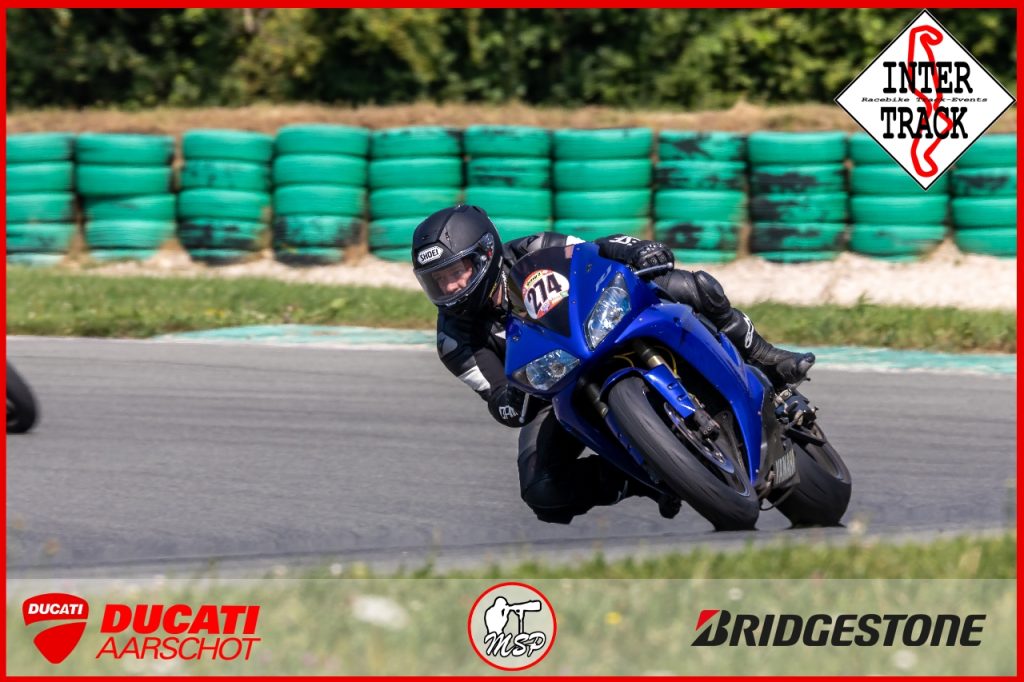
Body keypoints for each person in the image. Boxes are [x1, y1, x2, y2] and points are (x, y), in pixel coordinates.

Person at [412, 204, 813, 525]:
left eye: (456, 272)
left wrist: (637, 250)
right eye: (437, 280)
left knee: (689, 285)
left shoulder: (535, 248)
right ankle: (648, 478)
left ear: (485, 254)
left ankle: (767, 360)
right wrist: (514, 396)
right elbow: (497, 398)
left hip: (604, 325)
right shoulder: (454, 341)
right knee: (541, 490)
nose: (449, 288)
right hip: (554, 391)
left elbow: (598, 250)